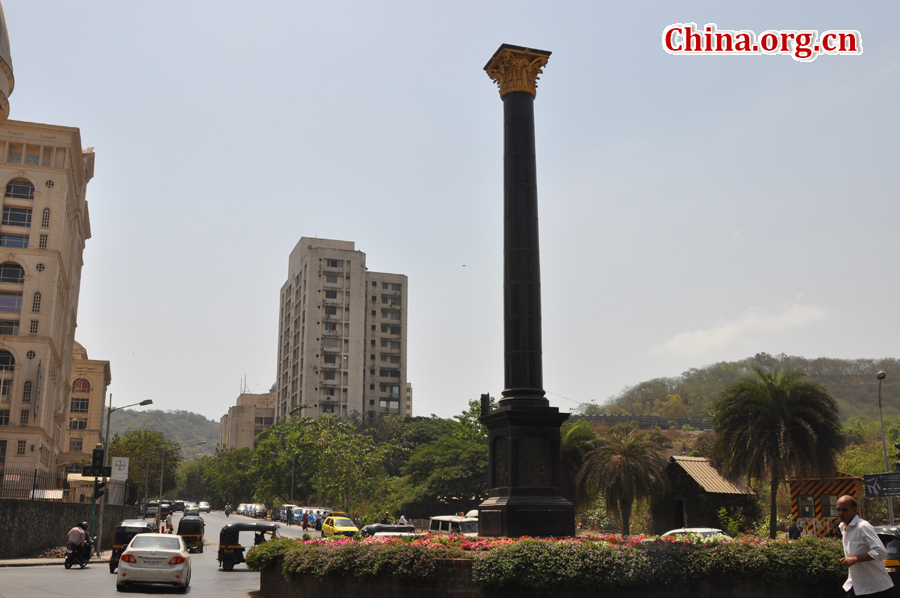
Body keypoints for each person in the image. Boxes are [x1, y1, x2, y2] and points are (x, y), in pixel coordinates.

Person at [837, 494, 894, 597]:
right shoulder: (842, 527)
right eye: (839, 510)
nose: (841, 513)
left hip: (877, 588)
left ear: (855, 510)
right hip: (857, 586)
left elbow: (881, 552)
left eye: (844, 510)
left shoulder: (863, 527)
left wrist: (855, 559)